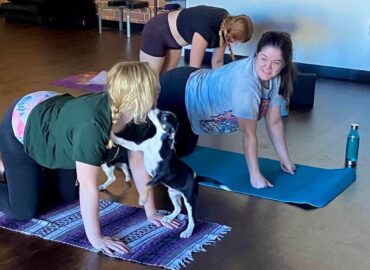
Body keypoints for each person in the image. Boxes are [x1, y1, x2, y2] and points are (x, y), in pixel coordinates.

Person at [0, 62, 179, 255]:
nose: (159, 95)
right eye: (155, 92)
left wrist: (151, 211)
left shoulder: (139, 117)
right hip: (24, 123)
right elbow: (87, 185)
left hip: (60, 125)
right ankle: (8, 167)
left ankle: (18, 173)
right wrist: (96, 238)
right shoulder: (92, 126)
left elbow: (138, 164)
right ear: (138, 99)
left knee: (66, 197)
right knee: (24, 210)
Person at [157, 31, 296, 189]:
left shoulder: (275, 78)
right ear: (256, 54)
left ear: (284, 64)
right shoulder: (246, 85)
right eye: (263, 58)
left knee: (185, 152)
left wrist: (285, 159)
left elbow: (274, 121)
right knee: (157, 160)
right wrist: (255, 176)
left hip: (194, 105)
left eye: (276, 62)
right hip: (177, 92)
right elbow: (248, 134)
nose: (268, 67)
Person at [140, 5, 254, 75]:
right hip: (157, 31)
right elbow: (193, 68)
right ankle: (134, 110)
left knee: (164, 80)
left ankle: (156, 110)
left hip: (174, 42)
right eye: (237, 41)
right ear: (231, 33)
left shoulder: (225, 28)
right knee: (149, 80)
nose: (237, 44)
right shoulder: (206, 29)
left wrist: (220, 83)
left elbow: (217, 62)